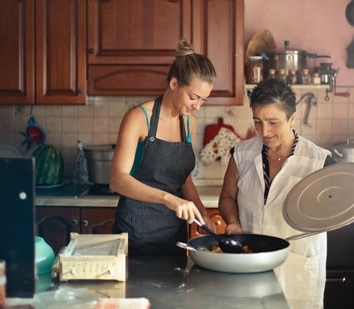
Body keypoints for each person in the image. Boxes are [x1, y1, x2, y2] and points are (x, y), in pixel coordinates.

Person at [218, 78, 335, 308]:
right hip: (250, 265)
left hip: (297, 269)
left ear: (292, 118)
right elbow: (227, 197)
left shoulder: (319, 161)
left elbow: (337, 211)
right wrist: (233, 222)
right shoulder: (241, 154)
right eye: (258, 122)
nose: (264, 131)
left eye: (273, 122)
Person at [109, 39, 217, 256]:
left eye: (203, 100)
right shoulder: (139, 118)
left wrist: (203, 213)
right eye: (193, 97)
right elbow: (117, 180)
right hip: (136, 232)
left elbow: (183, 179)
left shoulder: (189, 123)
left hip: (174, 235)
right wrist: (168, 199)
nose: (197, 106)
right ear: (174, 84)